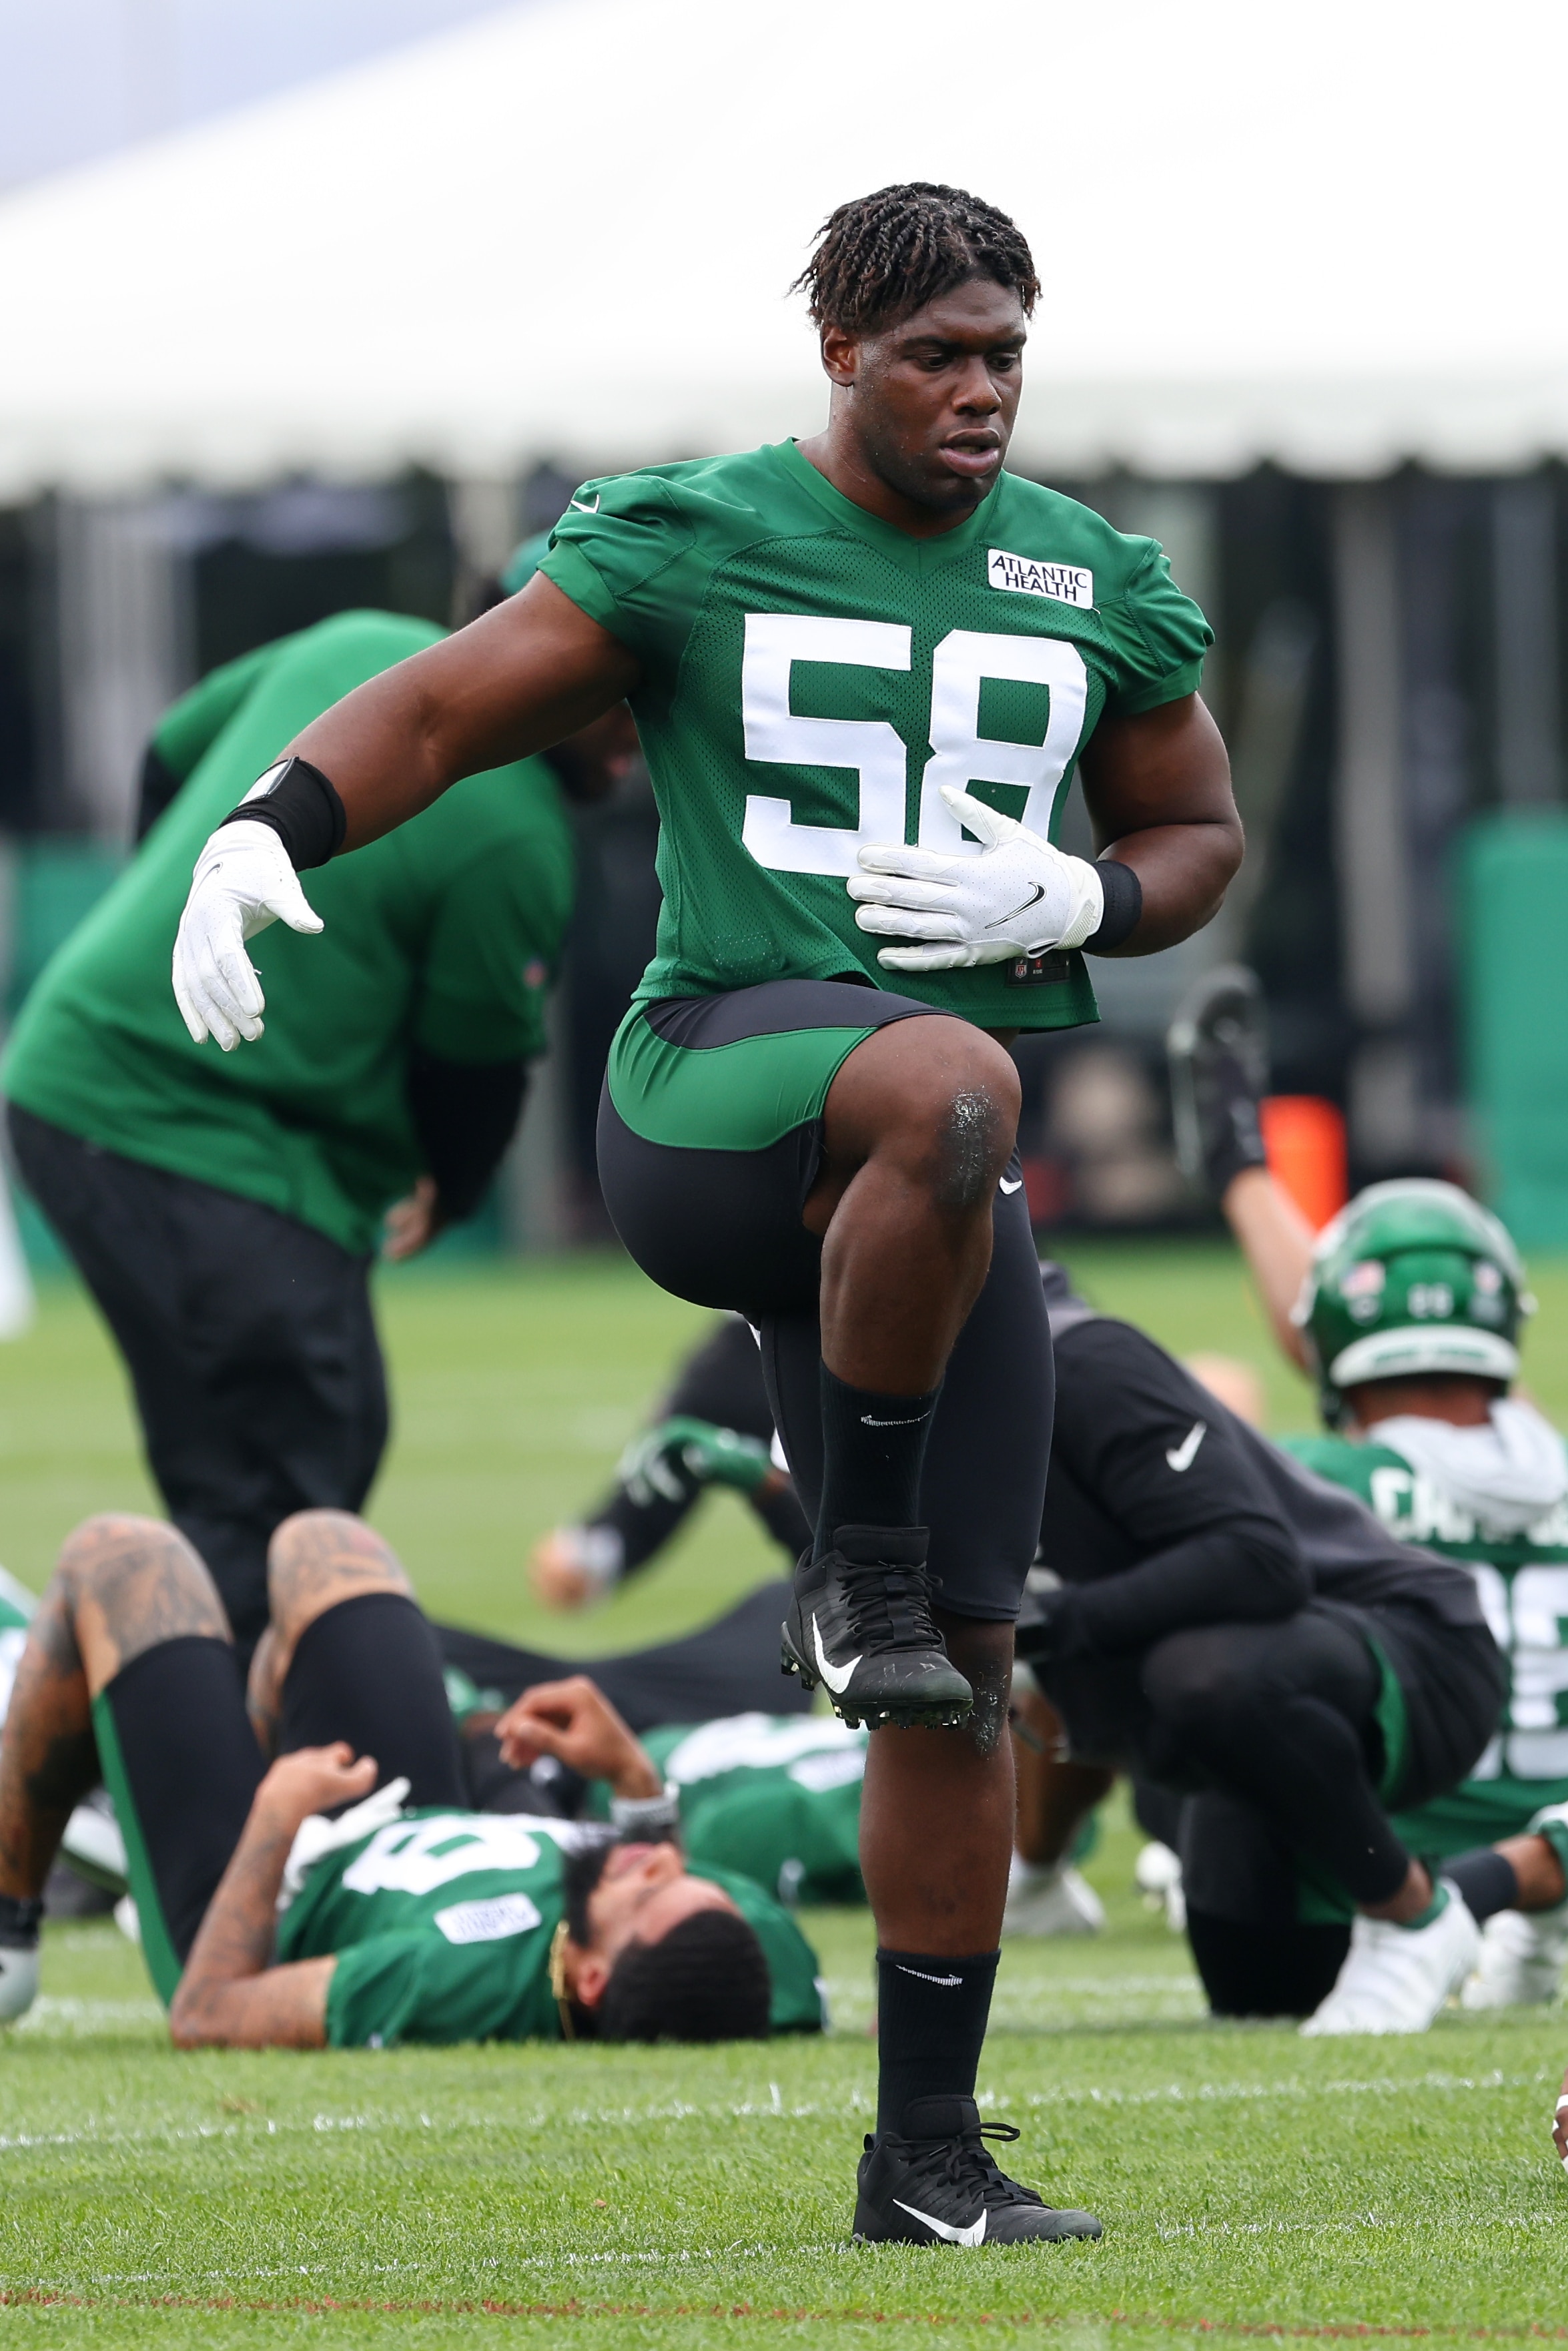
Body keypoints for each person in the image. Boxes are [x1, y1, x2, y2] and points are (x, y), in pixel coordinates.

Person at [169, 182, 1243, 2246]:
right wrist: (259, 828)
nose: (980, 390)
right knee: (956, 1077)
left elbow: (1195, 828)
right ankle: (845, 1563)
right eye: (937, 351)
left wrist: (1088, 895)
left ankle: (922, 2158)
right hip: (723, 1085)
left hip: (938, 1186)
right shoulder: (699, 530)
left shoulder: (1085, 575)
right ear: (837, 353)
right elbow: (444, 704)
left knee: (964, 1668)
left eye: (1006, 350)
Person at [3, 597, 635, 1650]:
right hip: (185, 1122)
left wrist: (169, 912)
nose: (631, 727)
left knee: (276, 1470)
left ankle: (172, 1735)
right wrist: (455, 1184)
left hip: (89, 1074)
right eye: (604, 691)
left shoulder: (346, 643)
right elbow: (470, 1069)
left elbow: (167, 755)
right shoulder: (517, 829)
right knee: (283, 1488)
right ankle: (179, 1766)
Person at [0, 1507, 821, 2046]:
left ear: (590, 1973)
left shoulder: (458, 1978)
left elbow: (209, 2012)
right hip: (398, 1806)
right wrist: (635, 1781)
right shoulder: (748, 1959)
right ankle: (230, 1745)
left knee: (120, 1557)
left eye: (645, 1891)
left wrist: (272, 1817)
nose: (660, 1859)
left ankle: (8, 1931)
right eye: (684, 1876)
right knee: (327, 1548)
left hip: (259, 1895)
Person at [1168, 964, 1568, 2017]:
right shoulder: (1548, 1457)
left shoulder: (1315, 1479)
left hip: (1324, 1913)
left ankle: (1032, 1874)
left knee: (1173, 1646)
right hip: (1536, 1866)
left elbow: (1359, 1368)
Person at [1016, 1265, 1505, 2032]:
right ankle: (1506, 1906)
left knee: (1203, 1678)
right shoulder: (875, 1393)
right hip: (1232, 1735)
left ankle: (1415, 1910)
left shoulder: (1072, 1359)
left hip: (1395, 1654)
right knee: (1261, 1995)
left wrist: (1039, 1625)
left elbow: (1254, 1560)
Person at [530, 1317, 811, 1610]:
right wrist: (594, 1550)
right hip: (785, 1331)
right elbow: (666, 1466)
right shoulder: (738, 1360)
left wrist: (764, 1486)